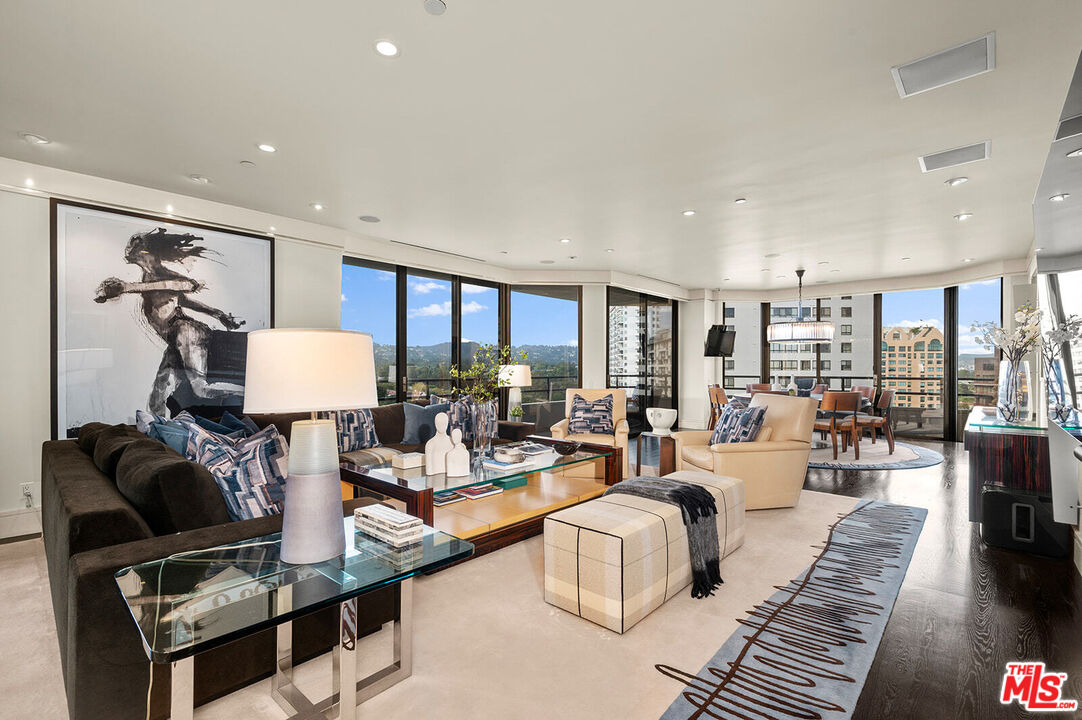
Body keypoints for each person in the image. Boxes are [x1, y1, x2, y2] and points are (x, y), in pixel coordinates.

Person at [94, 227, 245, 414]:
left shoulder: (162, 277)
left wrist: (130, 287)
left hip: (185, 331)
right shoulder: (148, 278)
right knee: (158, 394)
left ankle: (249, 394)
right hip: (175, 337)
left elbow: (188, 285)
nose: (133, 254)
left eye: (139, 251)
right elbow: (182, 300)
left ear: (149, 253)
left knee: (201, 388)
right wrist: (218, 314)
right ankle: (159, 433)